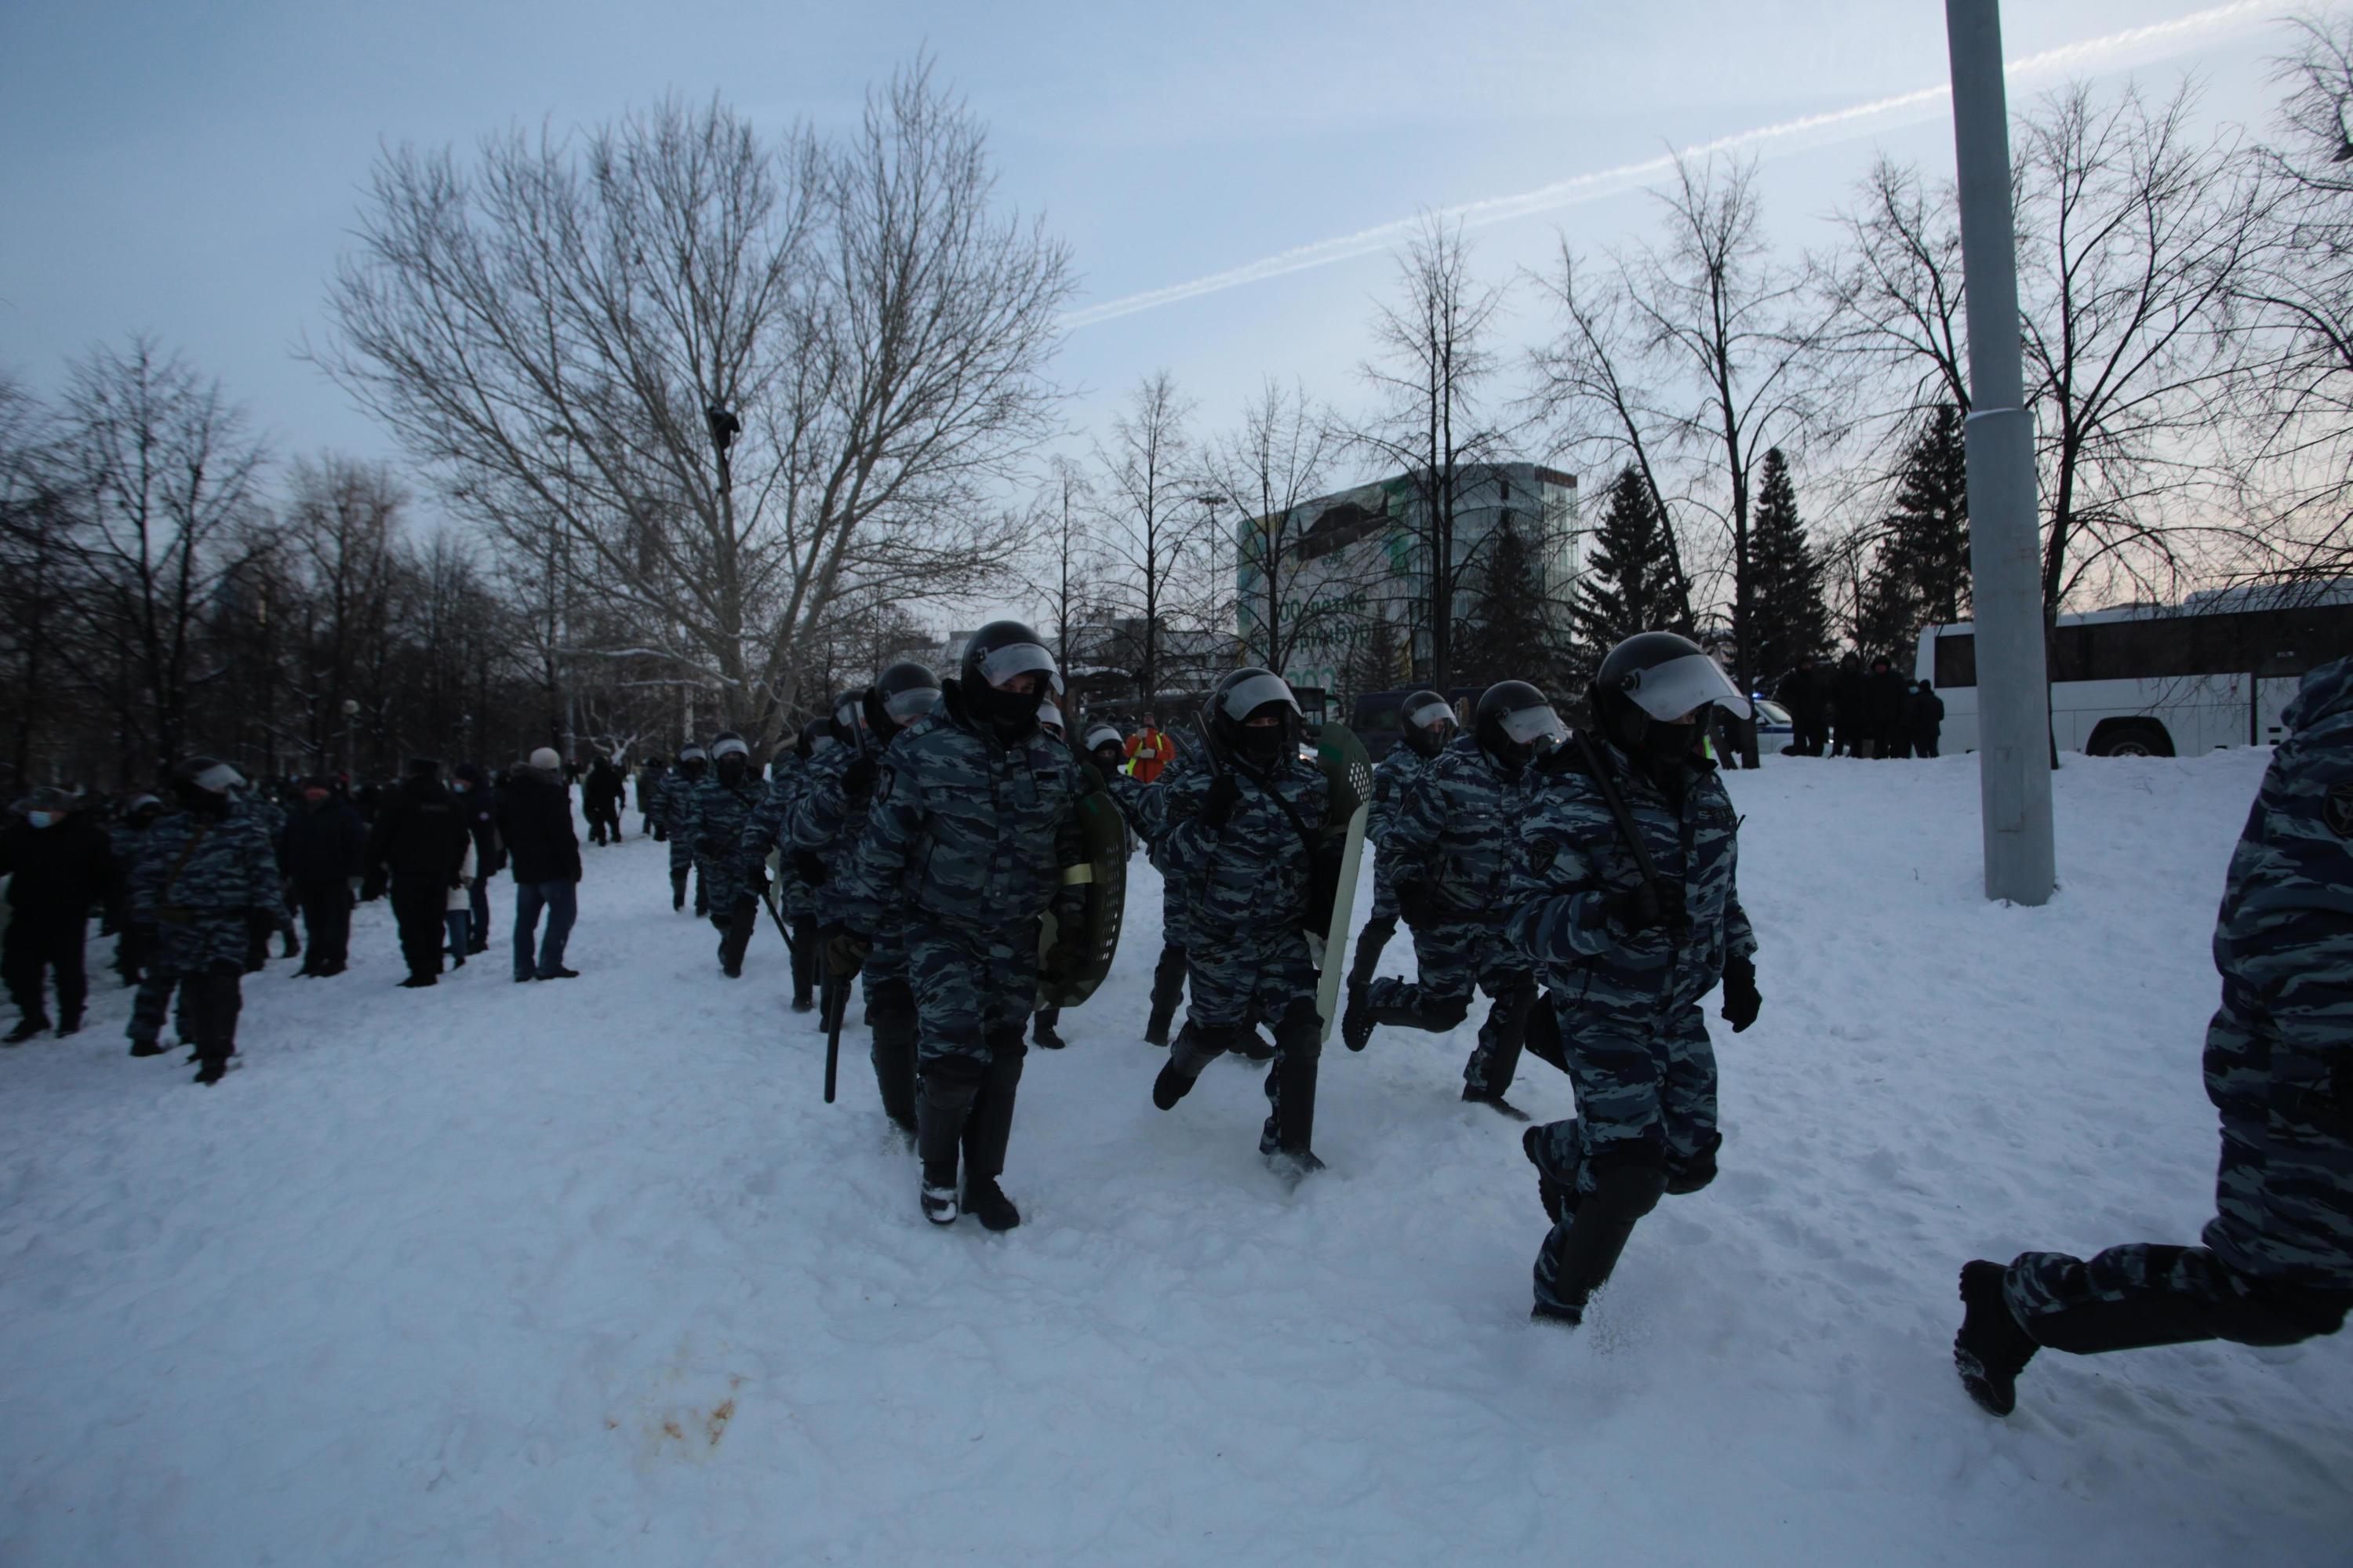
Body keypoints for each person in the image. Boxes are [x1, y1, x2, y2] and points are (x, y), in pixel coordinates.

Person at [1952, 657, 2353, 1417]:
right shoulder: (2342, 749)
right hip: (2315, 1078)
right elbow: (2295, 927)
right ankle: (2021, 1302)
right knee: (2279, 1290)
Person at [1508, 632, 1762, 1327]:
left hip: (1677, 1008)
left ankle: (1560, 1152)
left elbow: (1719, 893)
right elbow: (1523, 921)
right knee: (1629, 1175)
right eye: (1673, 717)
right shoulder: (1568, 793)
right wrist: (1610, 912)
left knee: (1688, 1160)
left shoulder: (1700, 788)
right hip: (1602, 1008)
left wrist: (1738, 961)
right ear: (1628, 714)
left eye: (1694, 718)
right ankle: (1558, 1303)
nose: (1687, 731)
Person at [827, 621, 1086, 1229]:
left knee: (1002, 1055)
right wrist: (856, 929)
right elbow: (883, 845)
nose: (1020, 693)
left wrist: (1074, 927)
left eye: (1032, 684)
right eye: (1009, 681)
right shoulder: (923, 752)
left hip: (1015, 933)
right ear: (977, 677)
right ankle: (939, 1171)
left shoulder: (1050, 757)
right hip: (939, 928)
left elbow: (1073, 845)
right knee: (951, 1061)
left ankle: (984, 1180)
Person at [1146, 668, 1338, 1178]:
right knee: (1216, 1030)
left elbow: (1323, 849)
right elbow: (1166, 858)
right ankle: (1185, 1059)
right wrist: (1207, 820)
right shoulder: (1193, 781)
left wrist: (1324, 899)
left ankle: (1290, 1145)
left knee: (1301, 1034)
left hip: (1282, 936)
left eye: (1277, 717)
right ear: (1231, 723)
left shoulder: (1308, 783)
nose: (1269, 726)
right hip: (1220, 937)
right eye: (1257, 719)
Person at [1344, 682, 1555, 1116]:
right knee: (1442, 1013)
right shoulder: (1449, 773)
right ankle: (1373, 998)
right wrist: (1411, 890)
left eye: (1538, 732)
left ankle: (1484, 1090)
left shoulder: (1536, 775)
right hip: (1446, 915)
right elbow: (1401, 844)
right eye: (1524, 731)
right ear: (1498, 729)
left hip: (1503, 918)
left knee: (1518, 994)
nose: (1533, 741)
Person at [791, 671, 942, 1133]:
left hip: (942, 910)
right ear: (881, 713)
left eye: (925, 707)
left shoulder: (948, 753)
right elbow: (802, 830)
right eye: (904, 710)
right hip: (872, 912)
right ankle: (904, 1114)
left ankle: (943, 1101)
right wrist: (844, 788)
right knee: (894, 1015)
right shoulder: (843, 761)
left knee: (945, 1017)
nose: (914, 719)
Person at [125, 758, 279, 1083]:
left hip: (229, 920)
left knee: (223, 985)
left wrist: (264, 915)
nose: (224, 793)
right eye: (216, 786)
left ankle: (217, 1052)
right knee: (194, 986)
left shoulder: (244, 825)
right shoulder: (168, 829)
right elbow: (148, 878)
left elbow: (264, 874)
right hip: (181, 923)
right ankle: (202, 1043)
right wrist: (144, 923)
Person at [1345, 690, 1456, 1006]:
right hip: (1397, 863)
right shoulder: (1395, 767)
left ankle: (1439, 985)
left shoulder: (1447, 763)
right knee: (1382, 922)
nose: (1437, 731)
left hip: (1439, 864)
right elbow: (1374, 816)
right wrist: (1395, 843)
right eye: (1431, 725)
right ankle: (1360, 980)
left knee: (1437, 924)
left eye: (1441, 725)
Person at [0, 787, 112, 1042]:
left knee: (68, 971)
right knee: (17, 969)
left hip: (68, 914)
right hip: (26, 911)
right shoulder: (20, 835)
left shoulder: (88, 837)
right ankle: (32, 1016)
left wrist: (111, 908)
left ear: (63, 812)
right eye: (35, 810)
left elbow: (107, 875)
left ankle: (70, 1019)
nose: (39, 815)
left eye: (46, 810)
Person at [362, 757, 471, 988]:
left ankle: (421, 969)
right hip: (439, 870)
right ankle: (433, 962)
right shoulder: (450, 801)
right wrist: (453, 867)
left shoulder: (399, 799)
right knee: (434, 918)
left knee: (411, 921)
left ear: (411, 773)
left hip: (407, 869)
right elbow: (462, 838)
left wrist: (374, 867)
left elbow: (381, 835)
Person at [681, 732, 765, 977]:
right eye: (726, 756)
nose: (732, 760)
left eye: (736, 755)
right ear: (717, 759)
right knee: (721, 913)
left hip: (749, 862)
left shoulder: (758, 788)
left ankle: (734, 961)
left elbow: (774, 817)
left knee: (745, 909)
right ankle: (729, 940)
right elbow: (691, 825)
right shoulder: (703, 790)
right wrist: (704, 843)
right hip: (717, 863)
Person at [496, 747, 583, 981]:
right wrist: (573, 864)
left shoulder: (511, 792)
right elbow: (562, 832)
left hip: (525, 866)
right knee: (562, 915)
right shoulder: (551, 792)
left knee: (525, 920)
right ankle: (549, 964)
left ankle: (522, 967)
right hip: (554, 867)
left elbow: (505, 829)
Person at [279, 775, 367, 977]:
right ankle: (313, 959)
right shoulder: (298, 814)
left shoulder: (343, 813)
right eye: (310, 790)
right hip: (305, 876)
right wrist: (284, 871)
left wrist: (356, 872)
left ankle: (335, 959)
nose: (314, 793)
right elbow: (285, 845)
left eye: (318, 789)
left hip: (335, 875)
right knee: (313, 921)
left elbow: (357, 844)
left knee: (336, 920)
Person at [107, 793, 164, 984]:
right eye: (146, 812)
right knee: (131, 930)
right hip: (127, 888)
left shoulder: (163, 831)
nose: (150, 816)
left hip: (156, 888)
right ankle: (129, 968)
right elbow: (114, 858)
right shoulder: (120, 832)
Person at [450, 762, 500, 955]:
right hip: (463, 855)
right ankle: (465, 934)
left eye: (460, 779)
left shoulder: (482, 799)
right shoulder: (460, 798)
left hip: (479, 854)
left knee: (477, 896)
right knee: (464, 898)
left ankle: (479, 937)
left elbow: (482, 826)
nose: (456, 783)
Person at [657, 745, 708, 913]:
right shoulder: (672, 780)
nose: (694, 763)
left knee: (705, 867)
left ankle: (703, 902)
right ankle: (679, 897)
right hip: (679, 831)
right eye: (690, 760)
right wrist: (658, 825)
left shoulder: (709, 780)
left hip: (704, 833)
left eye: (697, 760)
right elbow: (659, 801)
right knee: (679, 867)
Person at [1774, 656, 1830, 758]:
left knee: (1816, 742)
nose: (1807, 666)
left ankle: (1814, 758)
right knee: (1800, 742)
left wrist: (1822, 706)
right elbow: (1782, 691)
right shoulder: (1793, 678)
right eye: (1804, 664)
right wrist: (1793, 701)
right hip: (1800, 714)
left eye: (1808, 664)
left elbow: (1825, 693)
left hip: (1815, 716)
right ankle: (1800, 759)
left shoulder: (1817, 679)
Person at [1863, 654, 1910, 760]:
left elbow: (1904, 698)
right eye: (1878, 665)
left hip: (1895, 717)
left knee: (1896, 744)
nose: (1880, 667)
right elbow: (1867, 701)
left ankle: (1895, 761)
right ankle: (1881, 761)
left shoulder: (1896, 679)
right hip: (1877, 718)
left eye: (1882, 665)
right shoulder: (1871, 681)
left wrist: (1903, 716)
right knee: (1880, 744)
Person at [1831, 652, 1870, 758]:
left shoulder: (1863, 678)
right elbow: (1831, 694)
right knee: (1838, 741)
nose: (1851, 664)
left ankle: (1856, 759)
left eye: (1852, 662)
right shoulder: (1837, 677)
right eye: (1848, 662)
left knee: (1857, 742)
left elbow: (1868, 695)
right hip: (1841, 714)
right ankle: (1836, 758)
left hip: (1858, 715)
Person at [583, 755, 626, 846]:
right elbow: (620, 789)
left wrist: (588, 805)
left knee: (599, 823)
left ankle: (602, 839)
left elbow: (588, 792)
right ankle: (616, 836)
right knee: (613, 821)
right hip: (609, 802)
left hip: (597, 804)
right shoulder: (612, 774)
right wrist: (622, 800)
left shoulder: (592, 777)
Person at [1125, 711, 1176, 783]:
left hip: (1158, 781)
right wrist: (1137, 738)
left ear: (1154, 721)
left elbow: (1171, 755)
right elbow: (1127, 753)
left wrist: (1154, 754)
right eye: (1146, 717)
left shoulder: (1161, 737)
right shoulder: (1134, 737)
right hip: (1136, 782)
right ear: (1142, 721)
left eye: (1151, 717)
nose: (1148, 719)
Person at [1907, 678, 1945, 759]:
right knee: (1933, 751)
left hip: (1919, 731)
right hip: (1934, 730)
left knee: (1922, 753)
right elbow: (1941, 716)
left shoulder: (1915, 700)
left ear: (1920, 688)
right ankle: (1936, 767)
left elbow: (1912, 715)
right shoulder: (1938, 700)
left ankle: (1924, 769)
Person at [636, 755, 668, 838]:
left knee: (649, 814)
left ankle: (646, 830)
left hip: (650, 796)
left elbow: (641, 784)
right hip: (663, 795)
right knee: (664, 812)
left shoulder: (647, 773)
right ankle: (664, 828)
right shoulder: (664, 772)